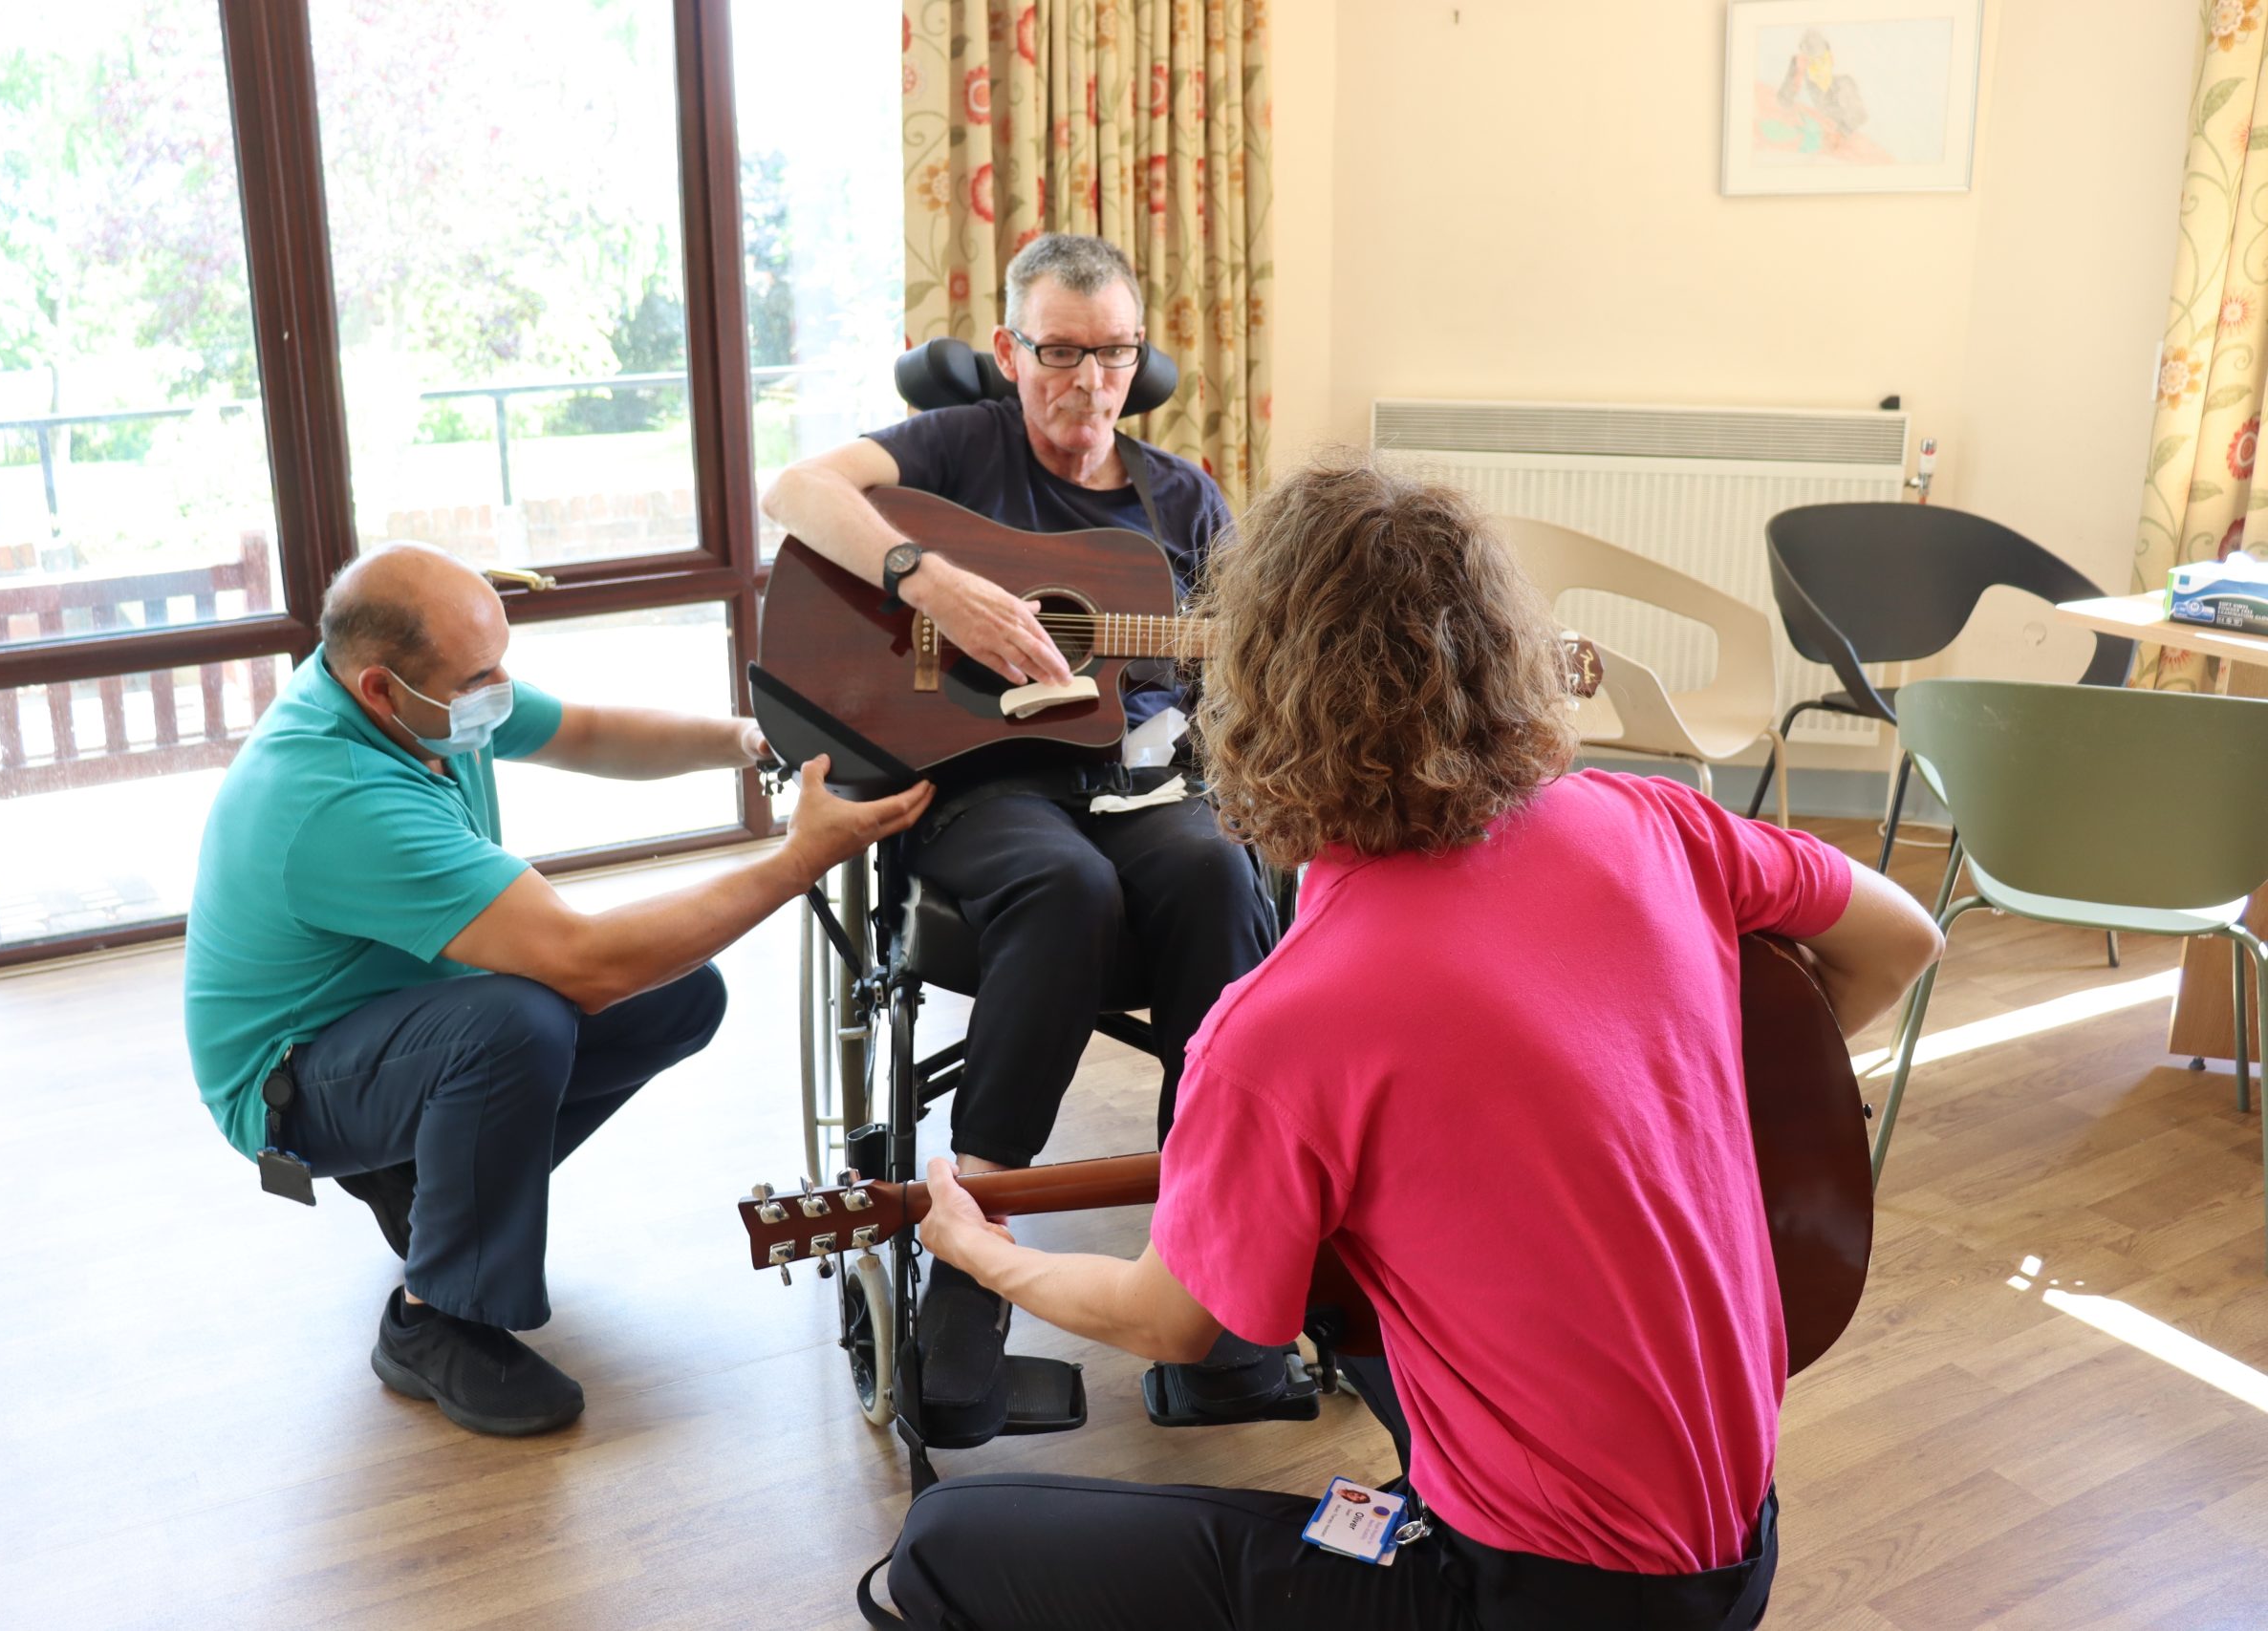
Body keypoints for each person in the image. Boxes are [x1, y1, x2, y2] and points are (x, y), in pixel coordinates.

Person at [870, 454, 1945, 1629]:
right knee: (1364, 1318)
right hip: (1739, 1550)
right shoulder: (1657, 820)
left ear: (1250, 695)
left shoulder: (1279, 1024)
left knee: (943, 1547)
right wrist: (1689, 1093)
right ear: (1503, 648)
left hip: (1524, 1600)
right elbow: (1903, 942)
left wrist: (981, 1254)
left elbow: (1170, 1321)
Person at [184, 543, 929, 1438]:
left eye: (502, 663)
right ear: (382, 687)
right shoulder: (338, 794)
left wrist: (745, 738)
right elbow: (585, 962)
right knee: (519, 1021)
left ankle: (429, 1188)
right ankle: (434, 1319)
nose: (500, 689)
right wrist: (801, 856)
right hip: (292, 1087)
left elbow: (586, 729)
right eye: (481, 676)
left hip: (388, 1024)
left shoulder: (418, 698)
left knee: (679, 991)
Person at [762, 234, 1284, 1428]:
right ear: (1008, 351)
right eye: (1058, 353)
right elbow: (792, 492)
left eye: (1112, 355)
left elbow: (1249, 667)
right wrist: (929, 580)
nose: (1087, 384)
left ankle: (1210, 1271)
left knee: (1215, 875)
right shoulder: (953, 449)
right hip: (982, 786)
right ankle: (968, 1266)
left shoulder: (1181, 499)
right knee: (1063, 892)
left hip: (1140, 784)